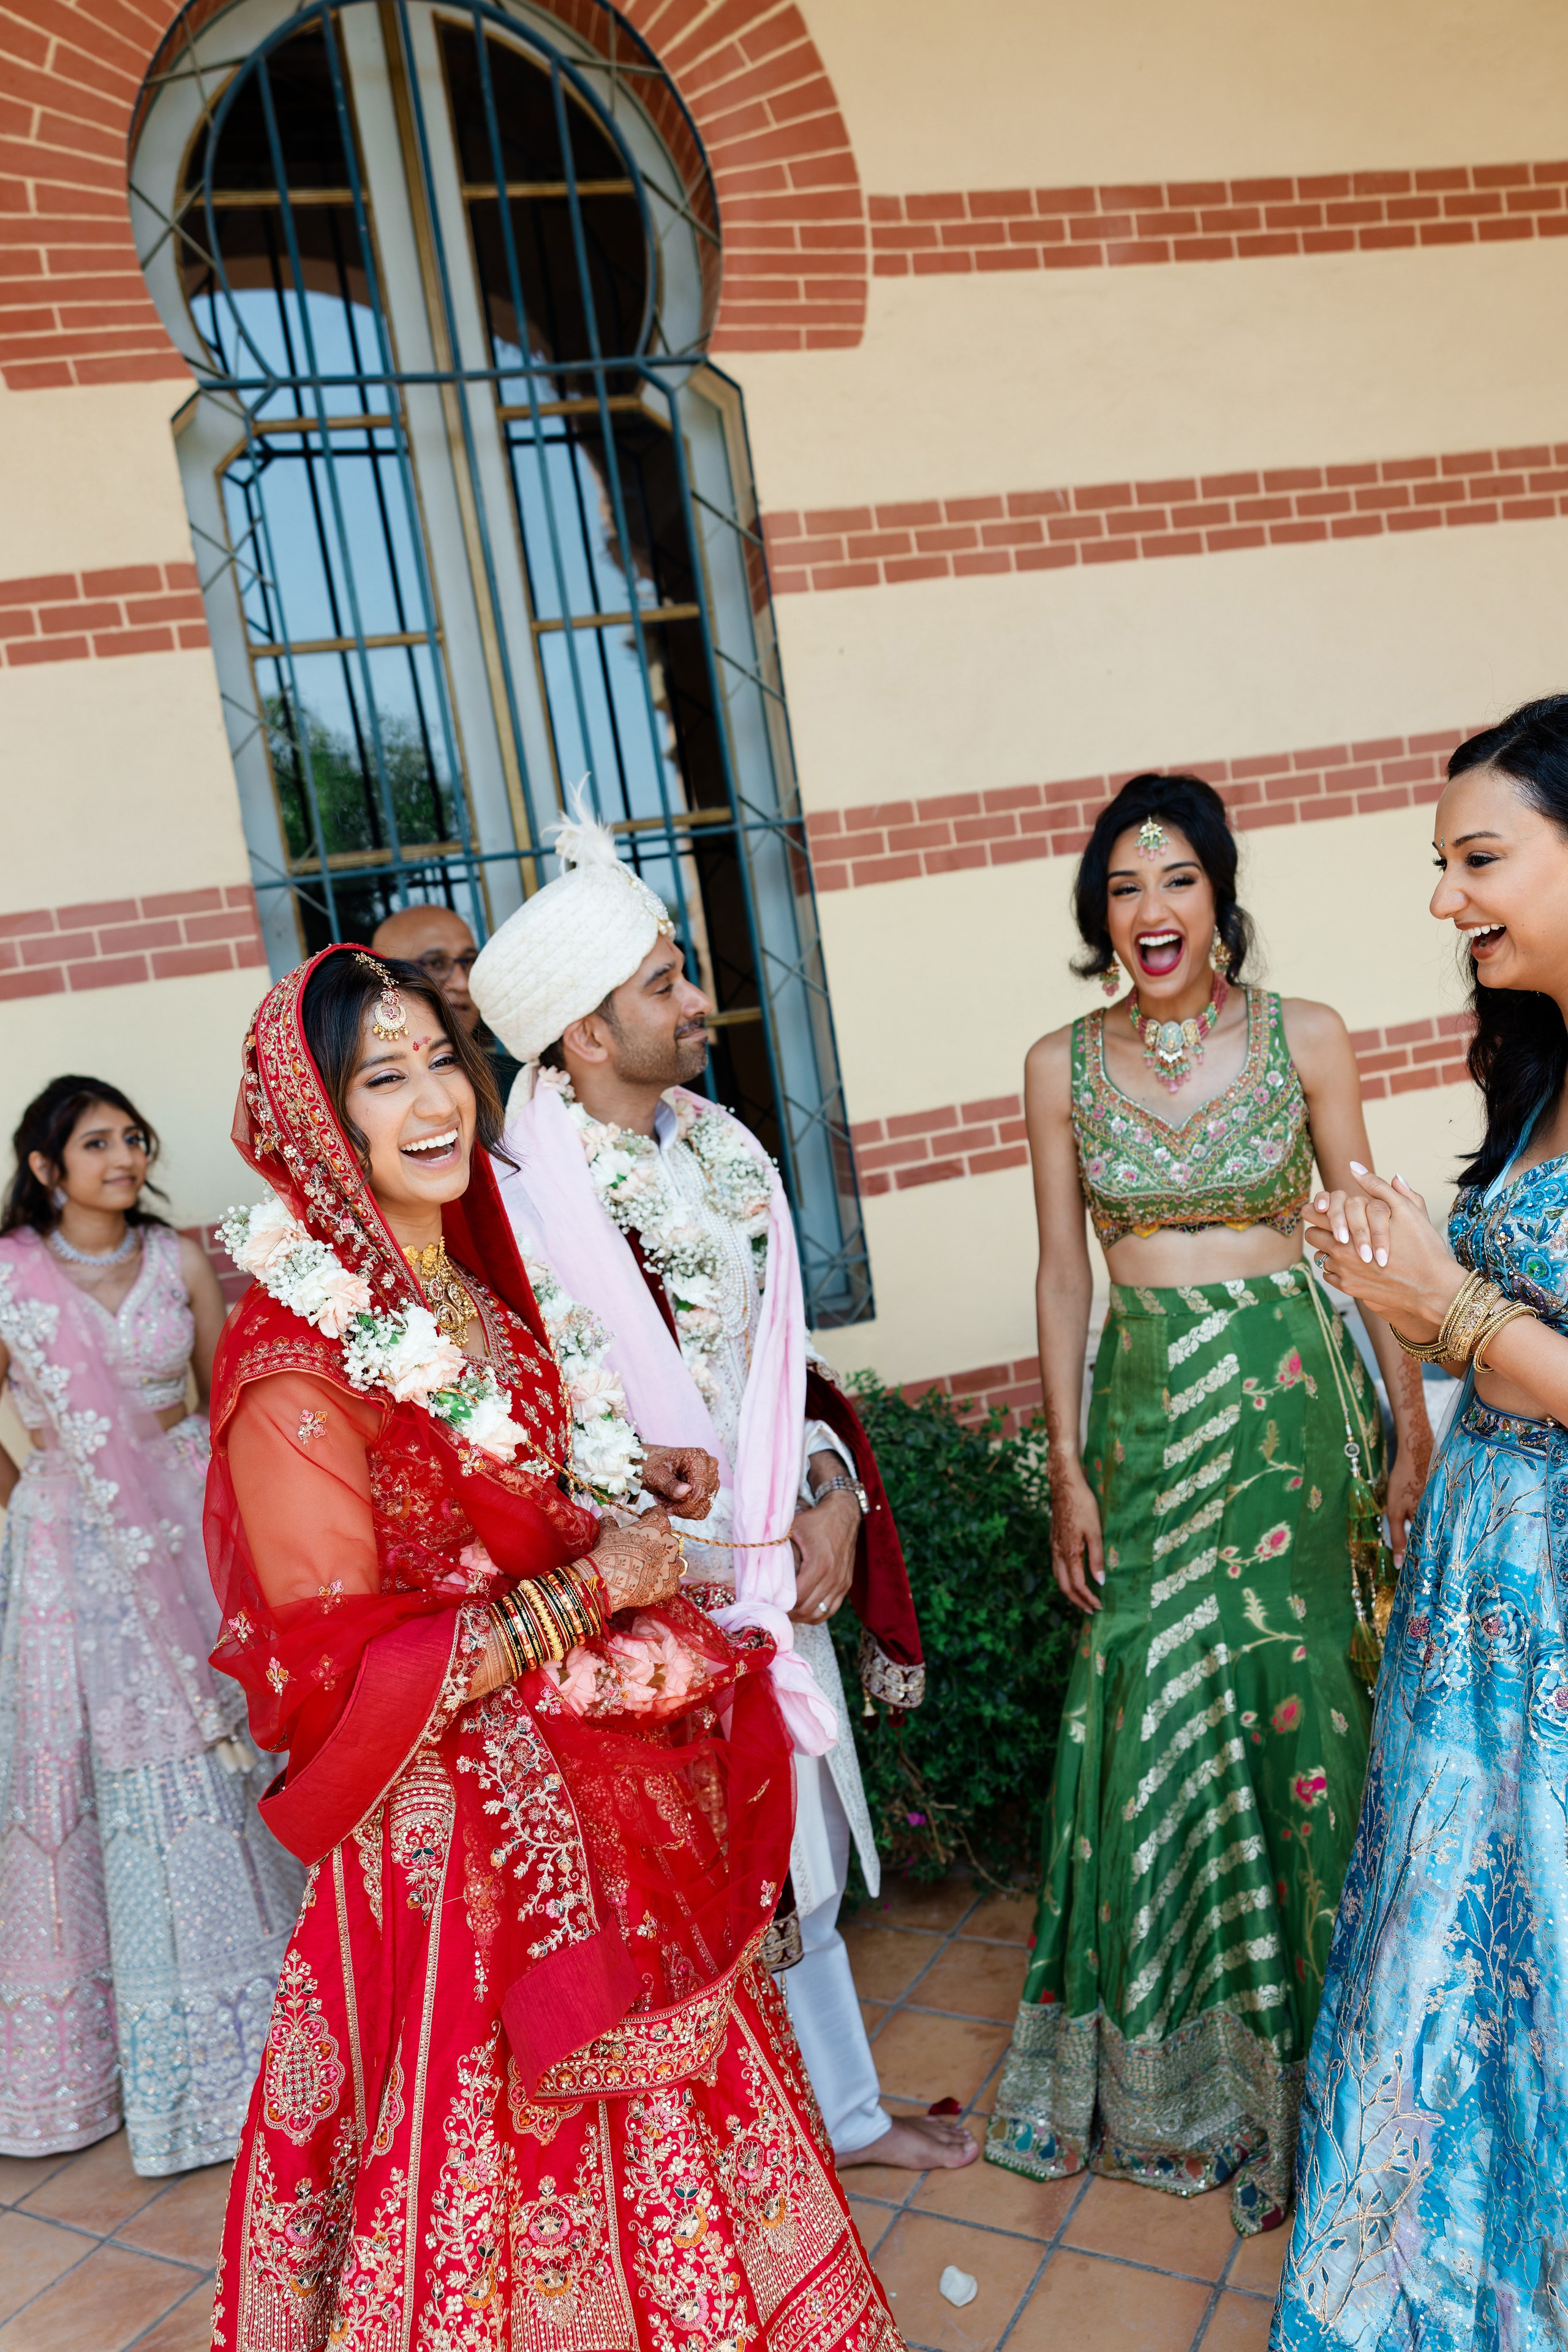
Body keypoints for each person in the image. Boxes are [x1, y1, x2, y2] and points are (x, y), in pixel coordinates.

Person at [205, 943, 901, 2352]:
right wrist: (595, 1593)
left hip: (598, 1789)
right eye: (378, 1076)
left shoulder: (469, 1296)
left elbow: (511, 1498)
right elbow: (342, 1679)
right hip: (447, 1857)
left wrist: (628, 1476)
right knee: (489, 2157)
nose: (432, 1099)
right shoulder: (293, 1364)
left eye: (440, 1060)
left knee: (683, 2101)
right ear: (314, 1123)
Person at [467, 805, 967, 2175]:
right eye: (664, 983)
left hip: (771, 1569)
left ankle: (841, 2116)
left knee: (790, 1849)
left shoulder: (726, 1155)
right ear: (580, 1034)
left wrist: (827, 1486)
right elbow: (513, 1441)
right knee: (682, 1881)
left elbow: (781, 1377)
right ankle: (722, 2153)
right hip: (634, 1610)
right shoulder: (511, 1204)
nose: (699, 1002)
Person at [985, 774, 1433, 2235]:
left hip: (1294, 1411)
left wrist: (1408, 1417)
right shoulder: (1056, 1062)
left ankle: (1336, 2047)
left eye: (1172, 878)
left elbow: (1364, 1239)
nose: (1147, 909)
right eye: (1120, 886)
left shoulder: (1304, 1036)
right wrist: (1062, 1456)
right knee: (1149, 1684)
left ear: (1215, 892)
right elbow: (1064, 1271)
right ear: (1094, 914)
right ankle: (1176, 2064)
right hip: (1149, 1417)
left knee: (1301, 1690)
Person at [1272, 696, 1568, 2344]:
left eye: (1480, 859)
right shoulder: (1539, 1071)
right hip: (1490, 1597)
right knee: (1458, 1959)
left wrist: (1447, 1311)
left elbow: (1507, 1342)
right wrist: (1396, 1286)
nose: (1448, 900)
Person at [0, 1077, 302, 2173]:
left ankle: (283, 2030)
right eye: (98, 1143)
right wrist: (47, 1504)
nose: (126, 1156)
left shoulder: (178, 1258)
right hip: (72, 1556)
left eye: (134, 1137)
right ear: (45, 1168)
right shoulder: (11, 1280)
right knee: (108, 1772)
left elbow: (228, 1404)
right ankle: (118, 2064)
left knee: (227, 1746)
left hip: (190, 1520)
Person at [372, 899, 521, 1102]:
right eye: (435, 964)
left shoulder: (524, 1086)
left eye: (469, 962)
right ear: (383, 979)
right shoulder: (368, 1097)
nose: (462, 982)